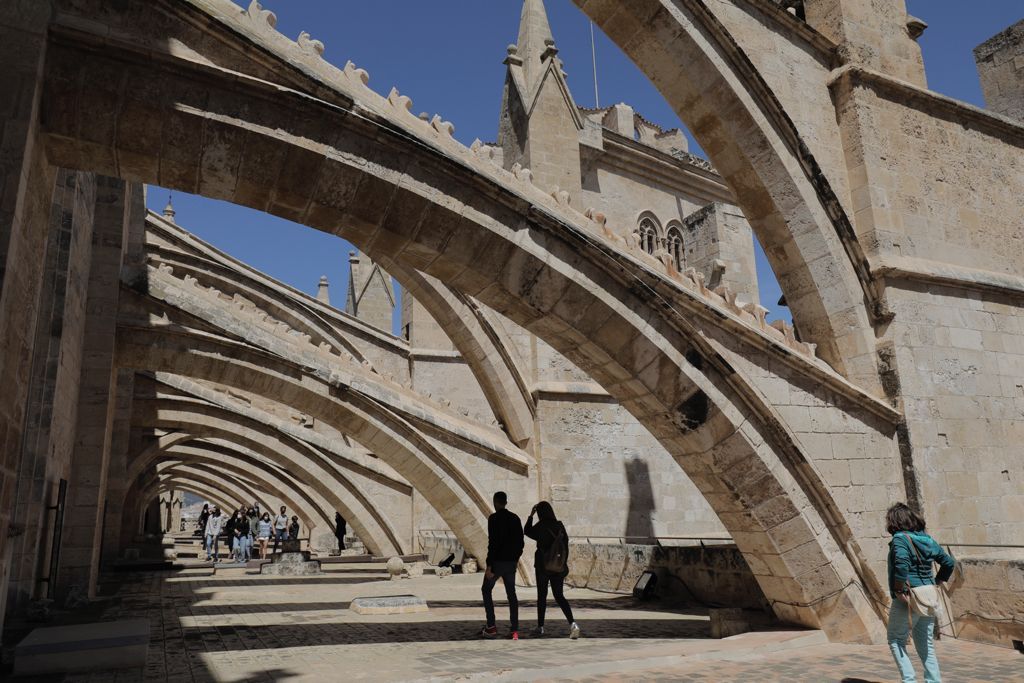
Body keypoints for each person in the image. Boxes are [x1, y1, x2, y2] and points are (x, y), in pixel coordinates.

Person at [886, 502, 955, 683]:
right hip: (928, 596)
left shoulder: (900, 539)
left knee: (896, 640)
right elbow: (948, 562)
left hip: (908, 597)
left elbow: (901, 563)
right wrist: (938, 580)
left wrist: (899, 589)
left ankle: (909, 681)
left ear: (894, 521)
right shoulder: (927, 539)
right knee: (927, 646)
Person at [524, 501, 580, 639]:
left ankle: (540, 627)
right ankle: (572, 624)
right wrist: (561, 562)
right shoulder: (559, 526)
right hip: (558, 566)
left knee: (542, 596)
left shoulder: (541, 526)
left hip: (543, 566)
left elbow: (527, 531)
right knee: (559, 596)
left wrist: (531, 515)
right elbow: (565, 545)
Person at [480, 491, 524, 640]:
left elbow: (492, 544)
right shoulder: (515, 518)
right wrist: (515, 559)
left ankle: (491, 626)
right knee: (512, 594)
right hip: (511, 563)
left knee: (486, 590)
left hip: (497, 563)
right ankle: (514, 630)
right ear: (505, 502)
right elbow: (521, 543)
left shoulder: (493, 519)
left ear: (495, 502)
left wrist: (489, 566)